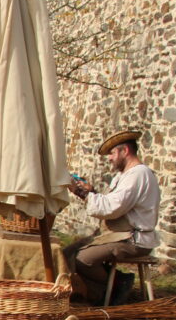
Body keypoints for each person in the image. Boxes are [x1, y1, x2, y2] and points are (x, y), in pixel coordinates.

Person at [67, 131, 161, 305]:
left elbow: (113, 208)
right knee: (68, 253)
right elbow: (113, 204)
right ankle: (100, 289)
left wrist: (81, 192)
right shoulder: (125, 176)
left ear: (124, 150)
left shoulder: (138, 175)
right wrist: (91, 193)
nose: (109, 158)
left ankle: (116, 284)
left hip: (134, 239)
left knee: (83, 259)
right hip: (121, 235)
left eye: (112, 153)